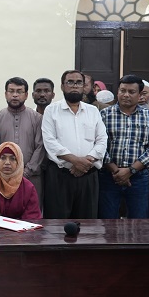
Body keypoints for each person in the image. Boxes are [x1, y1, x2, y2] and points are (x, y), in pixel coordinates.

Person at [42, 70, 107, 219]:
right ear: (62, 86)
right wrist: (75, 161)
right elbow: (49, 141)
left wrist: (86, 162)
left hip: (88, 175)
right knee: (57, 224)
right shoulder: (51, 110)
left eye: (78, 82)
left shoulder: (93, 111)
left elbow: (102, 139)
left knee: (87, 224)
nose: (74, 86)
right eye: (70, 82)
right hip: (60, 176)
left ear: (84, 86)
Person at [99, 75, 149, 219]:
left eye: (131, 92)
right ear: (117, 92)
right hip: (109, 176)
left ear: (139, 95)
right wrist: (116, 170)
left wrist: (131, 170)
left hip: (139, 177)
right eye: (123, 91)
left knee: (139, 221)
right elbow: (99, 144)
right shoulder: (104, 114)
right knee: (107, 221)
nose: (126, 95)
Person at [0, 77, 45, 209]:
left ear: (26, 95)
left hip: (31, 177)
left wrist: (26, 172)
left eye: (19, 91)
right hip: (4, 178)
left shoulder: (37, 119)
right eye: (11, 91)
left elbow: (40, 147)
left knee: (31, 213)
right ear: (5, 94)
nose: (15, 95)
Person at [0, 142, 41, 220]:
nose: (7, 163)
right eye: (3, 158)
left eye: (12, 158)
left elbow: (32, 219)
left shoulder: (28, 188)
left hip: (19, 227)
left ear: (18, 162)